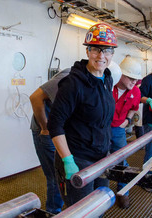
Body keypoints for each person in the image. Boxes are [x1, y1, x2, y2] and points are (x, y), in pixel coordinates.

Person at [47, 23, 117, 207]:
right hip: (78, 159)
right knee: (80, 211)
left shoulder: (106, 79)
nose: (101, 56)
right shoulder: (72, 84)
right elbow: (55, 124)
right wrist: (68, 161)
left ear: (112, 54)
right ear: (87, 52)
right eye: (95, 49)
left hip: (101, 157)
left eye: (107, 51)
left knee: (100, 206)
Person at [29, 68, 69, 214]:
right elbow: (35, 98)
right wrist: (45, 127)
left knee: (62, 173)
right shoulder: (69, 77)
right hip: (46, 131)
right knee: (54, 175)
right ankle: (53, 213)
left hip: (60, 130)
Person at [110, 56, 142, 209]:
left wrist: (128, 121)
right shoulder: (108, 85)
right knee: (99, 161)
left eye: (136, 79)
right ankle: (98, 196)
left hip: (118, 130)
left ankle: (123, 192)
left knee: (122, 160)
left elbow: (134, 108)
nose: (134, 82)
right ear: (121, 74)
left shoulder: (135, 92)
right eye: (131, 78)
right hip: (101, 130)